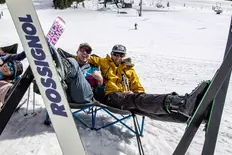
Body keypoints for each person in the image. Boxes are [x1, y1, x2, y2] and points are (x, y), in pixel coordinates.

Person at [60, 43, 209, 123]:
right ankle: (180, 103)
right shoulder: (104, 62)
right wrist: (63, 54)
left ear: (124, 56)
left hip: (127, 97)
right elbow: (84, 57)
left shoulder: (130, 70)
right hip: (111, 96)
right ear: (111, 54)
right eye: (115, 54)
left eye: (120, 55)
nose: (117, 57)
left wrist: (135, 93)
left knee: (144, 108)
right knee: (135, 101)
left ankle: (185, 116)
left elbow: (138, 86)